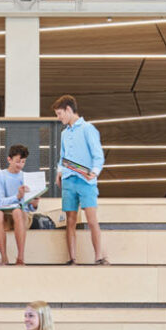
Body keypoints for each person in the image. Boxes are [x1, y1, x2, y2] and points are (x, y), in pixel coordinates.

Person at [53, 95, 108, 265]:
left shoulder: (88, 128)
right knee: (70, 220)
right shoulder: (64, 134)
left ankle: (99, 257)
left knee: (91, 220)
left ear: (69, 110)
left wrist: (95, 172)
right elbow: (63, 157)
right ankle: (72, 258)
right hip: (69, 180)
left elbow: (98, 155)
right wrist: (59, 172)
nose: (59, 118)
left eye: (60, 113)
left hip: (86, 181)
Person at [0, 144, 40, 266]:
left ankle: (20, 258)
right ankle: (4, 258)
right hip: (6, 216)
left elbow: (29, 208)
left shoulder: (25, 177)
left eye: (23, 162)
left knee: (17, 211)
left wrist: (34, 204)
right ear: (9, 159)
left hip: (22, 215)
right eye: (18, 161)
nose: (20, 165)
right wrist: (17, 197)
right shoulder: (0, 175)